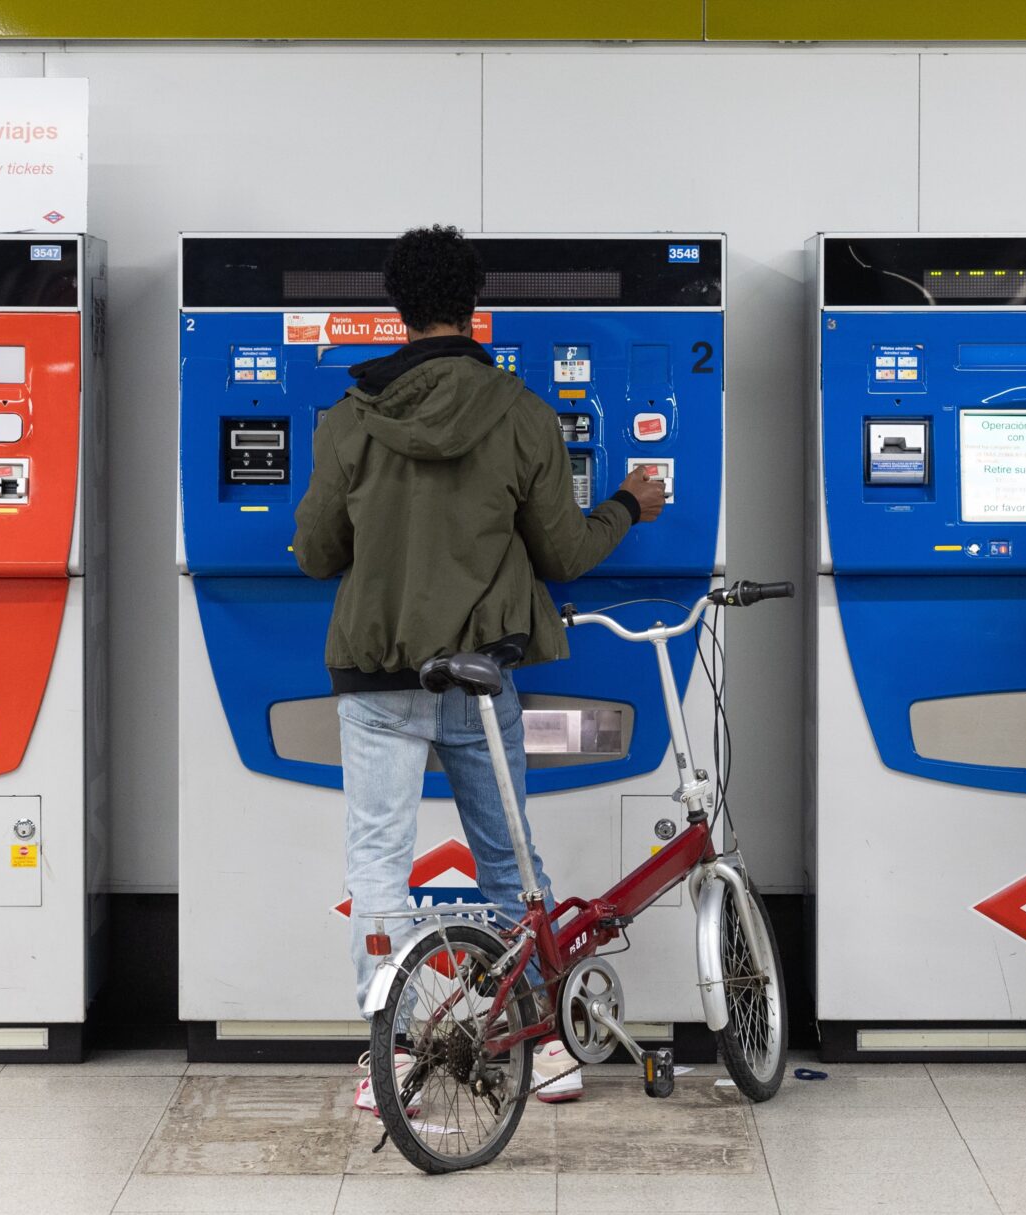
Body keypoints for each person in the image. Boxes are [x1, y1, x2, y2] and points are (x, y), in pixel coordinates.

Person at [293, 225, 666, 1108]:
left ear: (397, 308)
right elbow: (565, 552)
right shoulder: (523, 413)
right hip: (478, 677)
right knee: (509, 866)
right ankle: (548, 1049)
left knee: (378, 870)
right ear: (474, 305)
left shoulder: (348, 420)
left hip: (377, 680)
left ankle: (391, 1060)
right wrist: (628, 503)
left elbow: (316, 552)